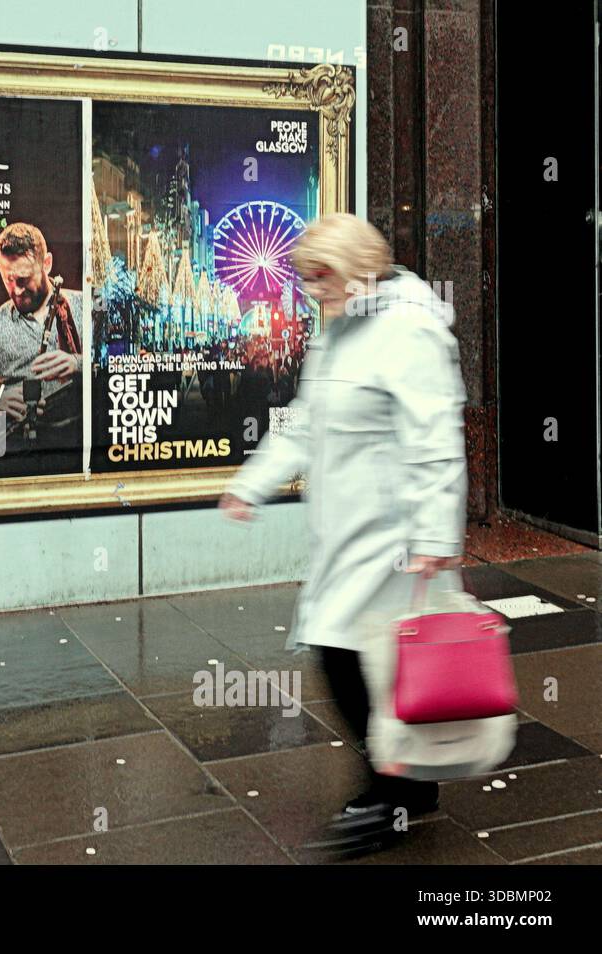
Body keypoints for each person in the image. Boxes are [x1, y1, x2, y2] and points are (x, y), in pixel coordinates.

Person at [218, 213, 468, 859]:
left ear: (356, 265)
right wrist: (253, 482)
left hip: (395, 536)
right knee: (363, 659)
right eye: (306, 280)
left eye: (319, 277)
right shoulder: (342, 328)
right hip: (349, 531)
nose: (310, 291)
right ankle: (408, 786)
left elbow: (437, 438)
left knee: (355, 659)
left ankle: (389, 793)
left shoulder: (410, 329)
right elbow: (304, 420)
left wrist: (437, 534)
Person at [0, 222, 83, 470]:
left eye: (24, 279)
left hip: (77, 444)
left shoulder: (84, 307)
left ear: (47, 263)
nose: (17, 290)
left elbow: (123, 363)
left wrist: (77, 363)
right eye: (8, 279)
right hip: (17, 452)